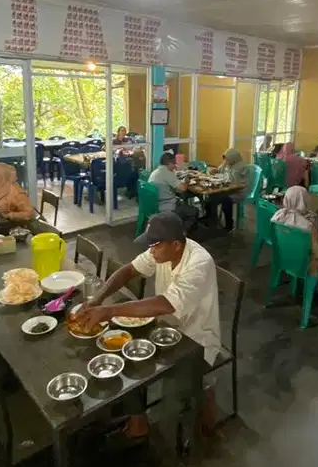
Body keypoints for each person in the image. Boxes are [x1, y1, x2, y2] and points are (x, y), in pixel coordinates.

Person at [78, 213, 221, 434]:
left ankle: (204, 393)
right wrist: (97, 299)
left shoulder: (198, 264)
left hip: (196, 340)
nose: (151, 250)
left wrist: (110, 311)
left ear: (175, 245)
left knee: (171, 397)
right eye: (150, 245)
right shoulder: (161, 252)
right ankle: (138, 421)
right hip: (164, 329)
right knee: (122, 357)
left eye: (155, 245)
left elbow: (166, 303)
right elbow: (127, 271)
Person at [272, 186, 318, 273]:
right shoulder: (307, 225)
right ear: (304, 200)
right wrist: (315, 228)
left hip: (284, 257)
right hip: (304, 265)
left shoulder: (277, 215)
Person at [0, 163, 57, 235]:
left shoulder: (17, 194)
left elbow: (29, 214)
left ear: (1, 177)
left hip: (23, 228)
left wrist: (9, 215)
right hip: (7, 224)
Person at [149, 152, 198, 227]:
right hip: (167, 207)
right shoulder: (167, 173)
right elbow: (183, 189)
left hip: (156, 204)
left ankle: (178, 225)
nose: (175, 166)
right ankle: (182, 232)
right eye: (174, 164)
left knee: (182, 202)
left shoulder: (156, 172)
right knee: (194, 211)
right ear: (169, 163)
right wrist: (187, 181)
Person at [207, 148, 249, 231]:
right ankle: (211, 218)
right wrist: (215, 171)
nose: (226, 160)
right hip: (226, 190)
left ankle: (229, 224)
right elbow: (219, 170)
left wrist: (225, 179)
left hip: (238, 192)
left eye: (228, 159)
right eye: (225, 158)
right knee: (211, 197)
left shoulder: (241, 167)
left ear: (234, 158)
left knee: (226, 201)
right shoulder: (226, 163)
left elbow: (238, 183)